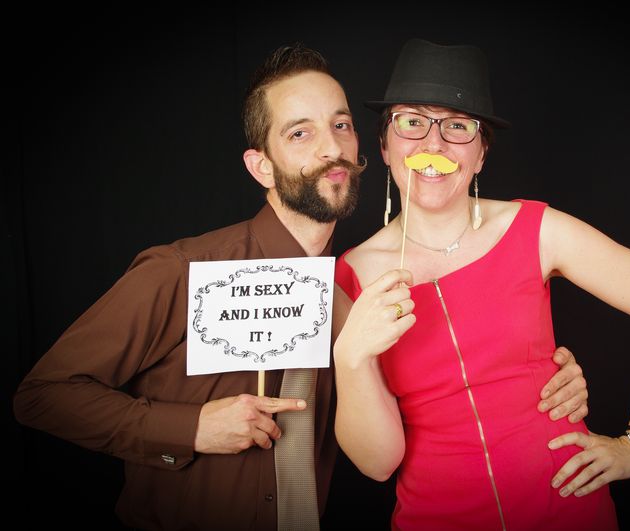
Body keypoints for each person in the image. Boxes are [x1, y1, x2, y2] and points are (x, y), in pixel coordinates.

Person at [13, 44, 590, 530]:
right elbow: (42, 395)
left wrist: (546, 378)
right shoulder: (184, 270)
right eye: (299, 133)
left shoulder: (355, 294)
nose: (330, 148)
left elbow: (424, 403)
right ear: (260, 166)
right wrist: (192, 428)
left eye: (340, 125)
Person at [333, 39, 630, 530]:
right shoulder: (350, 278)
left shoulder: (537, 229)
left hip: (570, 512)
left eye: (458, 126)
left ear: (481, 154)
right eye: (412, 122)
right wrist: (349, 358)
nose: (433, 146)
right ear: (384, 146)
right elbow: (378, 464)